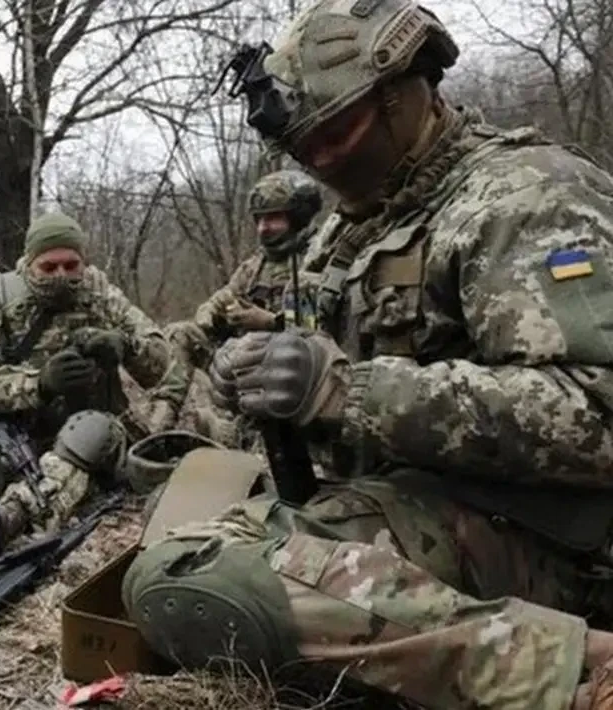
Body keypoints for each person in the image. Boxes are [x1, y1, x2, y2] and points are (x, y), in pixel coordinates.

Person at [123, 1, 613, 708]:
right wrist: (268, 375)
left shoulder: (526, 197)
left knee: (197, 580)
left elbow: (596, 414)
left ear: (405, 90)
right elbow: (319, 358)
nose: (323, 162)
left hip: (547, 539)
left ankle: (578, 675)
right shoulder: (352, 229)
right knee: (179, 547)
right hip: (411, 503)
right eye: (303, 148)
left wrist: (346, 392)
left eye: (337, 134)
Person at [0, 212, 188, 557]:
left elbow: (162, 364)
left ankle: (16, 515)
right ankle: (37, 487)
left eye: (71, 266)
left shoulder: (102, 294)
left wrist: (125, 346)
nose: (61, 276)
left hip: (96, 430)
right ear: (29, 263)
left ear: (84, 262)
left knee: (87, 433)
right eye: (49, 267)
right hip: (23, 434)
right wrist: (39, 383)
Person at [164, 169, 324, 447]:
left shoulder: (317, 260)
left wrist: (271, 322)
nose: (263, 228)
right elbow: (222, 298)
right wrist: (211, 316)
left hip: (297, 370)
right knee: (181, 333)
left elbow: (322, 335)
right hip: (247, 363)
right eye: (259, 219)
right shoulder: (256, 266)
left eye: (272, 218)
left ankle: (241, 435)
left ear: (297, 217)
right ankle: (164, 419)